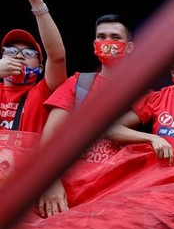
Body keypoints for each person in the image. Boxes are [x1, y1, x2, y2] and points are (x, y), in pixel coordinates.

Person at [39, 13, 134, 217]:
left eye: (115, 37)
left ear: (129, 47)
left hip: (119, 203)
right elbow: (50, 135)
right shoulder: (78, 83)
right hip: (69, 200)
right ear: (94, 44)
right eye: (101, 37)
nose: (107, 42)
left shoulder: (145, 94)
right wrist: (49, 183)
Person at [0, 0, 66, 133]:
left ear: (41, 67)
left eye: (28, 53)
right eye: (11, 51)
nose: (19, 56)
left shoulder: (43, 92)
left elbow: (57, 57)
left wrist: (35, 0)